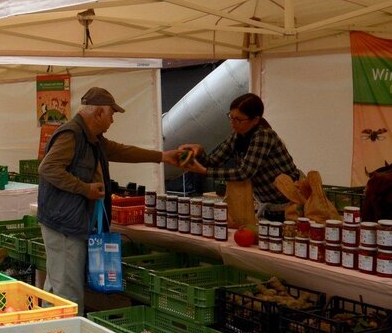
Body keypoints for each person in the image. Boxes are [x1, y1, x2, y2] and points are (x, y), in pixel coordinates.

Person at [37, 87, 184, 312]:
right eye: (111, 114)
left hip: (67, 221)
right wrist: (84, 189)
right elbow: (48, 168)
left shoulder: (92, 139)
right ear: (98, 113)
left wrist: (162, 157)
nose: (112, 120)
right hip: (64, 224)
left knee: (59, 286)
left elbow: (122, 151)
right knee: (68, 291)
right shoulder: (72, 135)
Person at [179, 93, 300, 220]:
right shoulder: (237, 136)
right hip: (268, 203)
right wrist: (199, 152)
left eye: (238, 119)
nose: (232, 122)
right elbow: (213, 161)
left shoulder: (264, 135)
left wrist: (204, 171)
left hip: (290, 203)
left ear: (255, 120)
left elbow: (245, 173)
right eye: (231, 117)